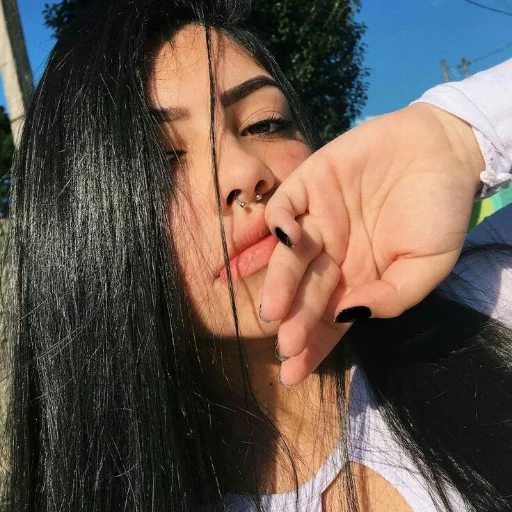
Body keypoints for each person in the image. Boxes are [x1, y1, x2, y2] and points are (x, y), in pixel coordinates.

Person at [2, 0, 512, 510]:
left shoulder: (487, 296)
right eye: (161, 158)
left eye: (264, 124)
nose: (245, 173)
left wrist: (458, 136)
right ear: (81, 235)